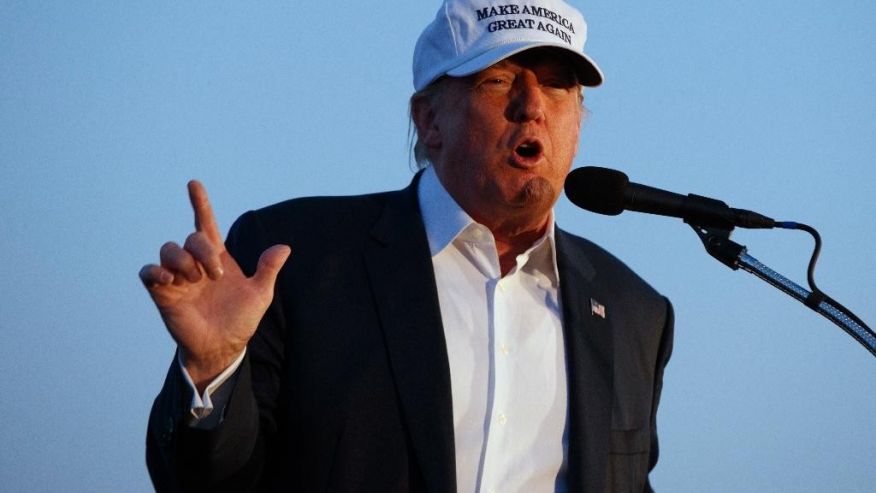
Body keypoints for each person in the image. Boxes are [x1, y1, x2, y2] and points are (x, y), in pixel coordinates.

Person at [141, 0, 673, 491]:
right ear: (429, 120)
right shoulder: (292, 259)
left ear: (579, 120)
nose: (532, 106)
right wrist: (212, 373)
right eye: (497, 79)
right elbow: (205, 482)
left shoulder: (634, 312)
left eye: (558, 85)